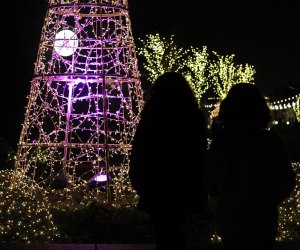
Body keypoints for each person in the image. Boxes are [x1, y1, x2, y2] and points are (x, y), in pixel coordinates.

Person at [203, 83, 296, 250]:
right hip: (263, 220)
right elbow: (287, 181)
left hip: (230, 220)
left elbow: (210, 183)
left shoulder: (222, 142)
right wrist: (267, 199)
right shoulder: (271, 141)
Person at [129, 72, 208, 250]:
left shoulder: (151, 116)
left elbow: (140, 151)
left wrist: (139, 182)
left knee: (163, 234)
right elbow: (199, 153)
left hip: (156, 185)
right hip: (185, 184)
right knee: (180, 232)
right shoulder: (193, 117)